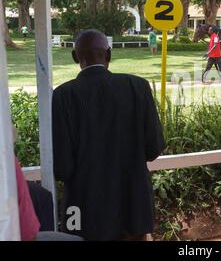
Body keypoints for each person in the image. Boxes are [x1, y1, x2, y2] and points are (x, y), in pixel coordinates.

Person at [52, 29, 164, 241]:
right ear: (109, 55)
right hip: (133, 208)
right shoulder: (138, 87)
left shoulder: (62, 96)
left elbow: (63, 167)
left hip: (82, 212)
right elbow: (154, 148)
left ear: (76, 57)